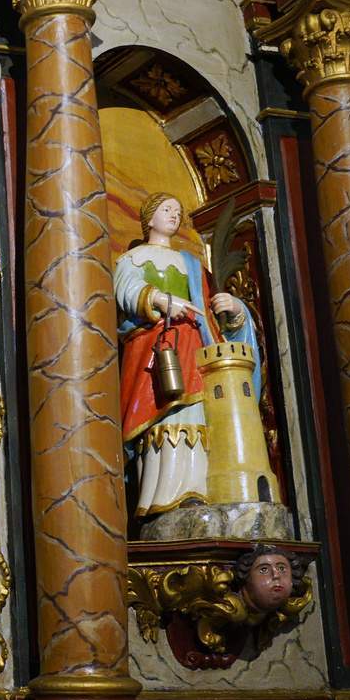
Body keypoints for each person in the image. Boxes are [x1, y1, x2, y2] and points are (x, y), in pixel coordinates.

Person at [113, 192, 257, 528]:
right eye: (166, 210)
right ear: (149, 218)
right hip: (156, 349)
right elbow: (126, 291)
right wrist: (162, 300)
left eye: (178, 212)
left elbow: (214, 319)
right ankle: (161, 497)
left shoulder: (193, 266)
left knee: (197, 416)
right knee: (165, 415)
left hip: (195, 348)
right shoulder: (133, 259)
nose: (173, 216)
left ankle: (197, 490)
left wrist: (234, 310)